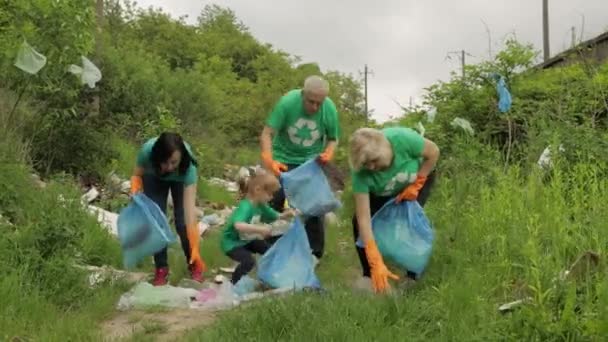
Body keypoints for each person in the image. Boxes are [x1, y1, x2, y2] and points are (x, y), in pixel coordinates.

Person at [349, 126, 440, 294]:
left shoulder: (403, 139)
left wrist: (418, 182)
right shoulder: (361, 174)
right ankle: (370, 274)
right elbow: (364, 219)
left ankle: (412, 274)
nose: (371, 167)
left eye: (374, 160)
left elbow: (433, 152)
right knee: (357, 223)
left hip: (415, 180)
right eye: (365, 164)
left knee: (408, 219)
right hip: (382, 191)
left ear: (385, 145)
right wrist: (373, 256)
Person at [259, 75, 340, 262]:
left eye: (319, 103)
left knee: (313, 207)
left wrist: (328, 153)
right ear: (303, 94)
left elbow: (333, 139)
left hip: (310, 163)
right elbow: (267, 133)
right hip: (282, 159)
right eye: (311, 102)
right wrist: (269, 160)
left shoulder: (329, 109)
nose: (315, 107)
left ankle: (314, 254)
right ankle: (271, 249)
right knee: (274, 201)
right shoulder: (287, 103)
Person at [130, 132, 206, 286]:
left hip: (180, 180)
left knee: (183, 223)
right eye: (165, 162)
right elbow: (137, 176)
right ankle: (161, 269)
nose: (170, 167)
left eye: (173, 162)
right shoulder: (147, 152)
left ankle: (194, 264)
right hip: (153, 177)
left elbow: (190, 212)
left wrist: (195, 244)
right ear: (158, 157)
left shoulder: (187, 167)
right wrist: (137, 197)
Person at [220, 171, 296, 285]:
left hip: (246, 240)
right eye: (270, 194)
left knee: (269, 250)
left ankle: (270, 275)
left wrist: (287, 214)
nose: (271, 198)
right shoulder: (246, 206)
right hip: (231, 243)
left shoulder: (261, 205)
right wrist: (260, 229)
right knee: (248, 261)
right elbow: (238, 225)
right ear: (258, 190)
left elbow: (276, 216)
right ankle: (234, 283)